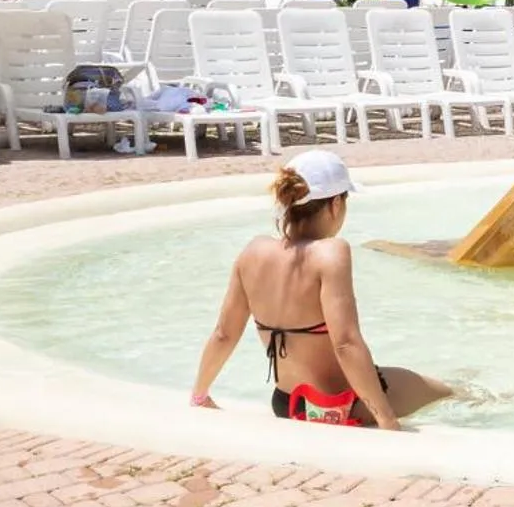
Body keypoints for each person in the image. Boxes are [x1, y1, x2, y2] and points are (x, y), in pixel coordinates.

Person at [190, 151, 454, 428]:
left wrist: (199, 396)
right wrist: (387, 420)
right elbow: (346, 343)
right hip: (339, 404)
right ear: (336, 204)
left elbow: (224, 334)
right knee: (450, 393)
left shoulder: (252, 251)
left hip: (285, 402)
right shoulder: (331, 253)